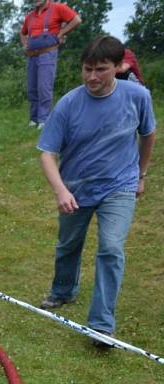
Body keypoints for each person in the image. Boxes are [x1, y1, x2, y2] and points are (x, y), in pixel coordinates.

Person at [37, 36, 156, 347]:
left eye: (101, 69)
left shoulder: (137, 96)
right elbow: (47, 153)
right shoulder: (69, 104)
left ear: (118, 67)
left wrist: (140, 175)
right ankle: (63, 291)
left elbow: (148, 134)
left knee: (111, 249)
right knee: (68, 245)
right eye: (87, 69)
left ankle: (101, 326)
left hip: (119, 187)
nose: (92, 77)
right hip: (76, 188)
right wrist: (61, 190)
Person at [20, 0, 81, 129]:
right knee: (32, 88)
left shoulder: (57, 8)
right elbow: (23, 32)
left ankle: (44, 119)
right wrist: (25, 44)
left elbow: (76, 20)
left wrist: (62, 33)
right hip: (32, 55)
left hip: (47, 53)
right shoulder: (30, 16)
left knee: (44, 87)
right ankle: (34, 118)